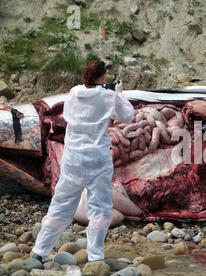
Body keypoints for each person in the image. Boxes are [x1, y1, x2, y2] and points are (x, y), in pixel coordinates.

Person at [32, 60, 134, 262]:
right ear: (103, 77)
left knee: (61, 204)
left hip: (73, 159)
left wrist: (105, 93)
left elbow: (80, 110)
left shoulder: (73, 93)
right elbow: (127, 115)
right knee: (100, 208)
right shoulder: (108, 96)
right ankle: (95, 256)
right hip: (97, 160)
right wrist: (118, 94)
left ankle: (39, 252)